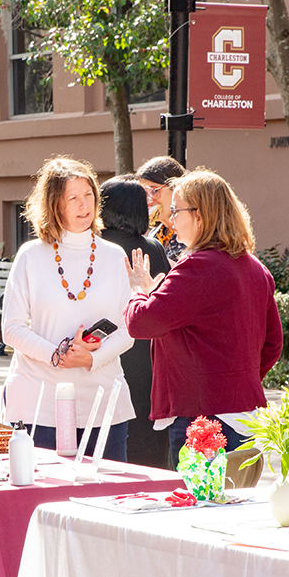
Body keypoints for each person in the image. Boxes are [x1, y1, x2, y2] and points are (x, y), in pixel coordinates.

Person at [124, 168, 283, 465]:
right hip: (242, 414)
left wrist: (138, 290)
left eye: (176, 210)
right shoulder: (254, 267)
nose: (170, 218)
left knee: (199, 507)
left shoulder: (197, 266)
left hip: (202, 418)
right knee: (234, 504)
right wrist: (235, 381)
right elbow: (272, 344)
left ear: (200, 215)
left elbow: (140, 322)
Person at [2, 156, 136, 460]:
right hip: (38, 402)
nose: (83, 205)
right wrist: (56, 354)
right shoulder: (30, 255)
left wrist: (90, 358)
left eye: (88, 195)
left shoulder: (114, 256)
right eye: (73, 198)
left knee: (103, 500)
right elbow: (12, 329)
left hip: (102, 404)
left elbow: (127, 329)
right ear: (54, 205)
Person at [98, 175, 171, 468]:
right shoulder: (153, 248)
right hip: (147, 357)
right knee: (147, 449)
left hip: (104, 352)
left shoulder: (95, 247)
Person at [135, 155, 186, 263]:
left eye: (154, 191)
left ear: (176, 189)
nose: (148, 200)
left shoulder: (192, 231)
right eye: (144, 193)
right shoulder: (155, 234)